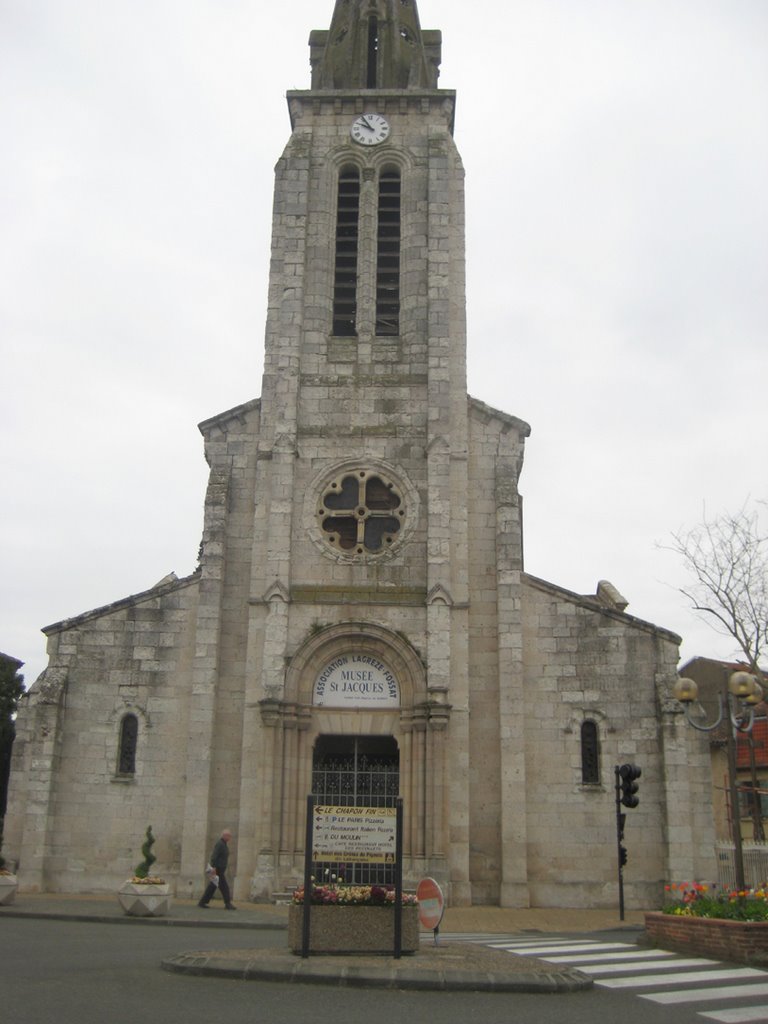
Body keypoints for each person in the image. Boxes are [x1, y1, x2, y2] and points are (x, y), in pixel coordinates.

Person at [198, 829, 236, 910]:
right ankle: (227, 903)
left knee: (212, 887)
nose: (230, 837)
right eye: (228, 836)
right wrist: (214, 867)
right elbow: (214, 856)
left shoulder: (224, 844)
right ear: (224, 836)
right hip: (217, 870)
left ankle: (202, 902)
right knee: (224, 887)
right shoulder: (220, 844)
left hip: (220, 869)